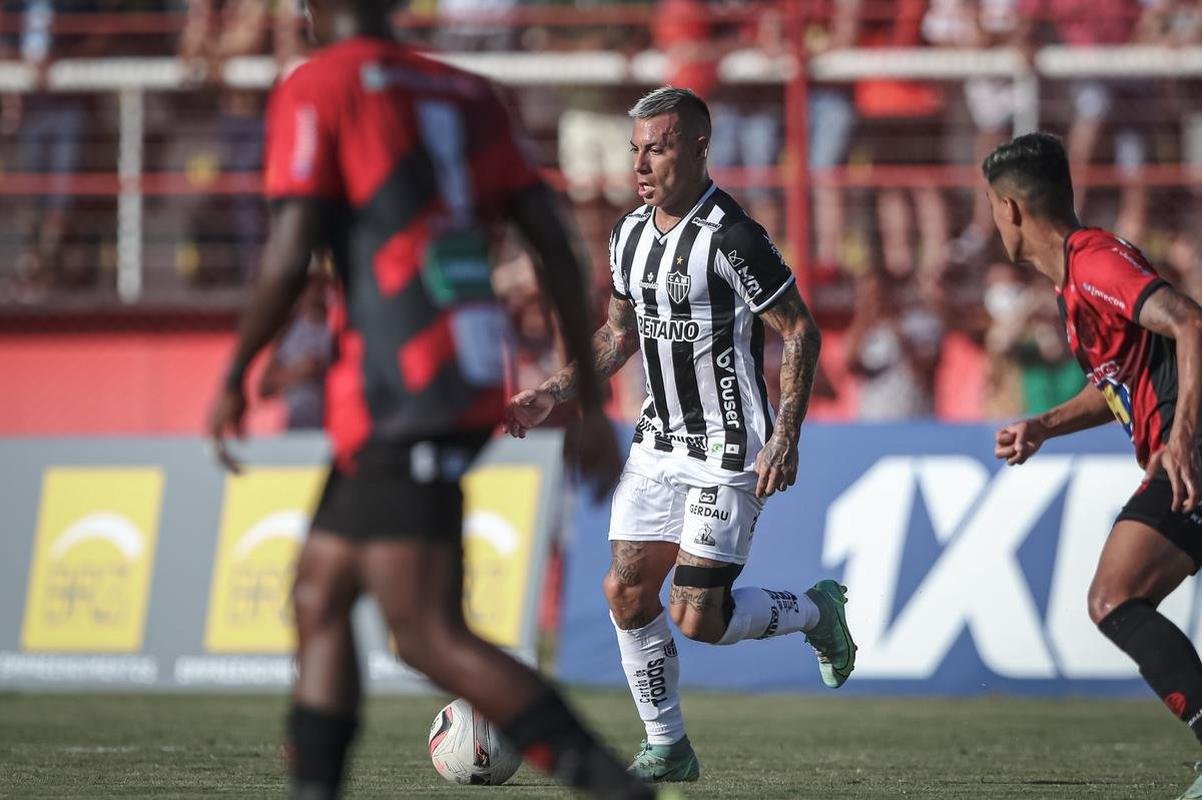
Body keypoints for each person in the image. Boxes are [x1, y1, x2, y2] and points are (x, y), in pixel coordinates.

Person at [205, 0, 672, 797]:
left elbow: (291, 246)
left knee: (425, 633)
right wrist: (590, 402)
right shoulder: (465, 92)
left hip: (399, 385)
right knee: (320, 592)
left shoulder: (319, 86)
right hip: (454, 370)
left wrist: (237, 368)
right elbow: (553, 241)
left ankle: (614, 788)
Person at [506, 86, 857, 784]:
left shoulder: (734, 237)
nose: (641, 164)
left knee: (697, 618)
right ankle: (668, 744)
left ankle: (816, 611)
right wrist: (553, 391)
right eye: (635, 149)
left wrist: (785, 435)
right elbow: (617, 333)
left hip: (729, 447)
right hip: (658, 440)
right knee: (626, 592)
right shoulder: (628, 234)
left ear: (698, 148)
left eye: (657, 149)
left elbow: (800, 331)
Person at [985, 132, 1202, 800]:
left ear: (1013, 210)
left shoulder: (1097, 261)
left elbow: (1193, 323)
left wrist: (1185, 437)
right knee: (1117, 599)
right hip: (1184, 456)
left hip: (1191, 458)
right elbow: (1119, 387)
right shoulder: (1074, 286)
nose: (994, 221)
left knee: (1115, 597)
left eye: (992, 206)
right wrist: (1044, 426)